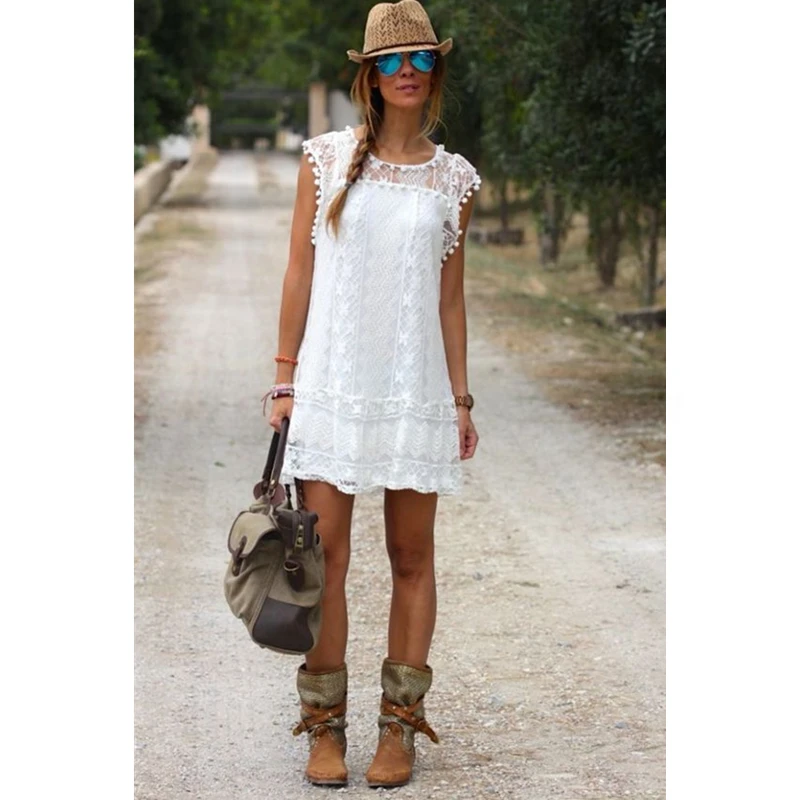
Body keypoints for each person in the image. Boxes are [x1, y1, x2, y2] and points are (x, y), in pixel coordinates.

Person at [265, 0, 481, 788]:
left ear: (436, 69)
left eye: (421, 59)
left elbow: (449, 299)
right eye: (392, 60)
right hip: (331, 386)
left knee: (412, 557)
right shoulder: (324, 160)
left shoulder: (454, 178)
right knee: (324, 558)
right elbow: (299, 269)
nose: (407, 72)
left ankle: (400, 730)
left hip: (412, 392)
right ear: (370, 75)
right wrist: (284, 376)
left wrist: (460, 400)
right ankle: (324, 728)